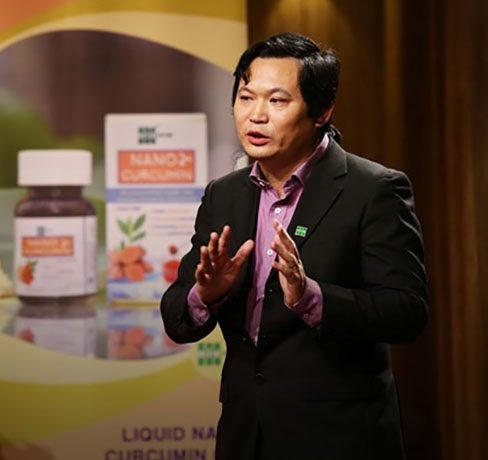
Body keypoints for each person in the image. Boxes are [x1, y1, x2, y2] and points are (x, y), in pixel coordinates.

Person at [160, 32, 428, 459]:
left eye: (277, 101)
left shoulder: (374, 190)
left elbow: (406, 312)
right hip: (246, 435)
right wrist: (204, 295)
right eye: (246, 98)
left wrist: (310, 297)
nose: (256, 116)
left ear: (322, 111)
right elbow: (177, 318)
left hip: (340, 438)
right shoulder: (223, 195)